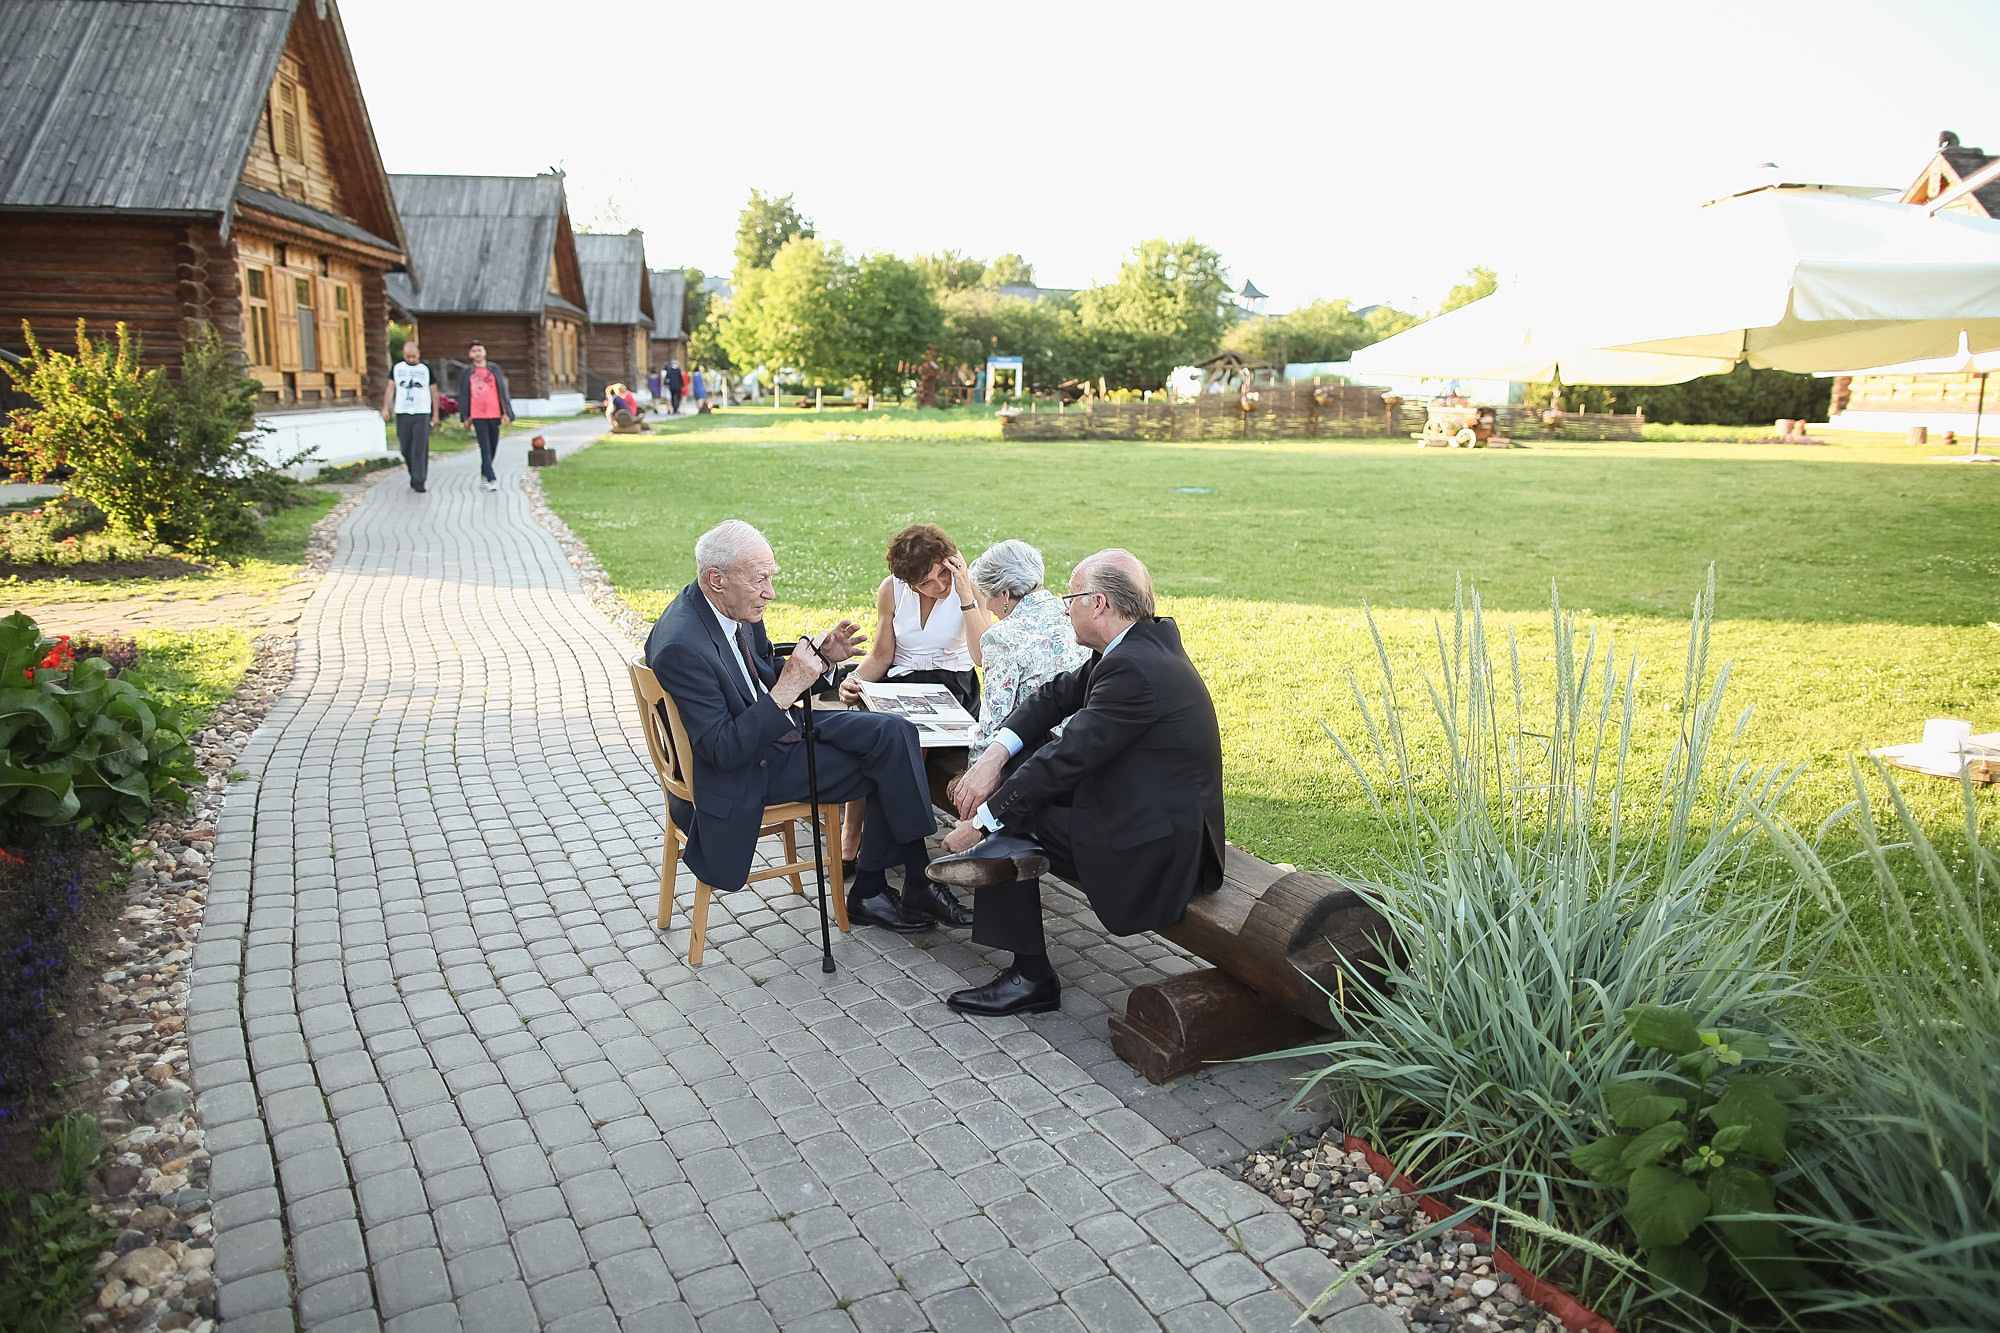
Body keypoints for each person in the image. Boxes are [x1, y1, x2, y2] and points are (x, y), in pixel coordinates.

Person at [929, 550, 1225, 1016]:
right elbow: (1054, 696)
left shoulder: (1134, 668)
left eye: (1072, 598)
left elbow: (1065, 759)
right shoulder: (1134, 646)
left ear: (1100, 603)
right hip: (1141, 805)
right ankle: (999, 867)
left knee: (1015, 818)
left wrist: (981, 823)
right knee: (1016, 774)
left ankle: (1030, 976)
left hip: (1160, 849)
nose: (1065, 608)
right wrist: (993, 756)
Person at [645, 520, 960, 936]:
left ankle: (900, 884)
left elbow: (758, 671)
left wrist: (824, 660)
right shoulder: (682, 646)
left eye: (770, 577)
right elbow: (723, 749)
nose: (770, 592)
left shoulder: (729, 605)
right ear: (716, 579)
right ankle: (891, 886)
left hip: (770, 729)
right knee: (890, 764)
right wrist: (786, 690)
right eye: (760, 580)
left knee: (895, 733)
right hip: (746, 768)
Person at [833, 525, 990, 920]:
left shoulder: (966, 585)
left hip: (951, 687)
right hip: (899, 684)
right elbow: (883, 655)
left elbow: (981, 656)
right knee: (872, 738)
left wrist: (967, 593)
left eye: (942, 573)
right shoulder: (891, 589)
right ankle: (857, 838)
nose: (939, 584)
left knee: (901, 747)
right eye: (926, 581)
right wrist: (856, 681)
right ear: (907, 582)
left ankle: (872, 856)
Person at [961, 540, 1088, 762]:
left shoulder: (1001, 636)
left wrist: (971, 774)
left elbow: (994, 723)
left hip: (1034, 761)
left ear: (1005, 594)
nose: (988, 606)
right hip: (1083, 748)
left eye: (988, 596)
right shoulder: (1072, 615)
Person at [457, 340, 514, 492]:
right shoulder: (467, 373)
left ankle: (484, 474)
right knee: (485, 448)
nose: (477, 353)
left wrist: (506, 412)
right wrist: (466, 417)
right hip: (478, 415)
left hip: (494, 413)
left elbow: (503, 392)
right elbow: (463, 395)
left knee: (494, 446)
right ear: (470, 354)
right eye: (474, 351)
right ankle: (492, 478)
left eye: (480, 350)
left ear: (484, 352)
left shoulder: (495, 369)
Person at [381, 340, 437, 493]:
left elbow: (434, 392)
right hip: (403, 412)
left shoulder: (425, 369)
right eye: (408, 356)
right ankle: (413, 473)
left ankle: (420, 480)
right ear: (404, 355)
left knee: (420, 448)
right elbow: (390, 388)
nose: (411, 359)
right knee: (406, 448)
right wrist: (386, 408)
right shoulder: (397, 368)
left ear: (418, 354)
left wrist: (435, 414)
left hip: (422, 412)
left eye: (414, 356)